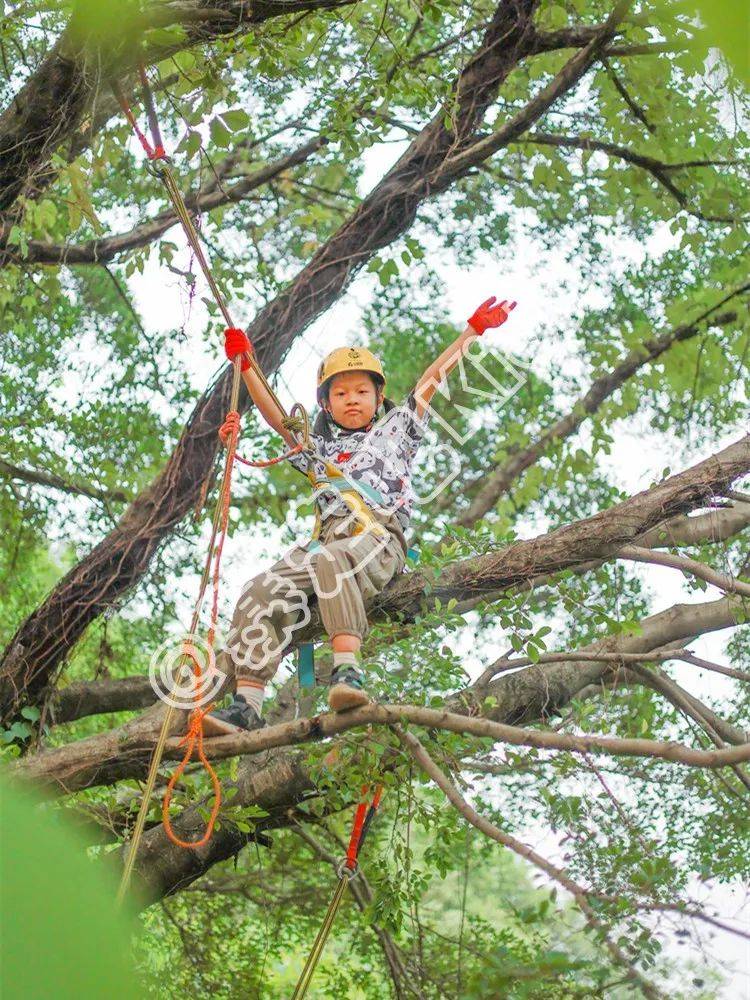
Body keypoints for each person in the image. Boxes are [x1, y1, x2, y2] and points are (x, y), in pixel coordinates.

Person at [204, 296, 516, 735]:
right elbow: (279, 419)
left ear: (379, 397)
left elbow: (432, 381)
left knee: (331, 561)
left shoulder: (398, 431)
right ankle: (246, 703)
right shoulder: (319, 450)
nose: (352, 399)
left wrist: (471, 333)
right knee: (259, 589)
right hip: (326, 544)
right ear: (327, 404)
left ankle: (347, 671)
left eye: (362, 391)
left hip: (377, 541)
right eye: (341, 393)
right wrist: (248, 365)